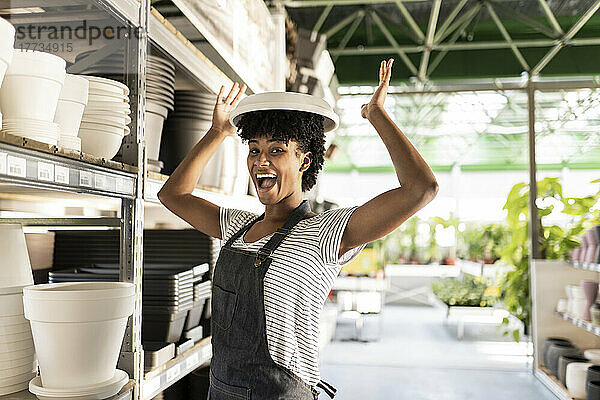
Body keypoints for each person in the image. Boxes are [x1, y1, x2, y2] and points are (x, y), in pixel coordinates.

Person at [158, 58, 438, 399]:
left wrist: (376, 114)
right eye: (254, 149)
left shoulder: (326, 231)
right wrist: (217, 133)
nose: (261, 161)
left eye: (277, 150)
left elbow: (420, 188)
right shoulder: (236, 226)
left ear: (304, 161)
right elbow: (172, 195)